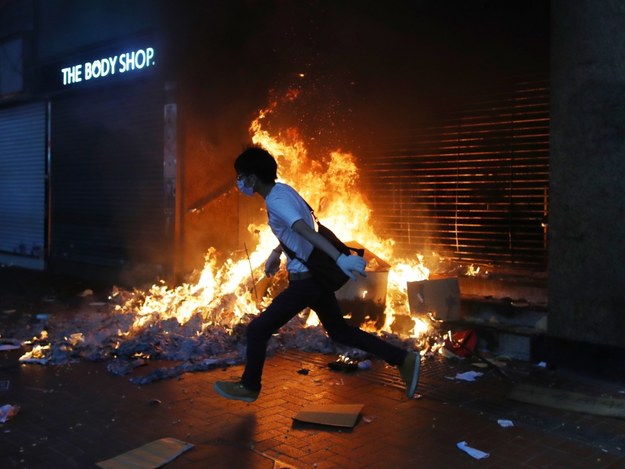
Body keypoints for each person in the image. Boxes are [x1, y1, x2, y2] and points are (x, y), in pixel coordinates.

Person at [214, 146, 421, 402]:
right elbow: (297, 228)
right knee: (339, 331)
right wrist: (277, 252)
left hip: (306, 283)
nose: (239, 182)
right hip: (314, 278)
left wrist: (340, 258)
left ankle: (249, 386)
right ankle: (403, 359)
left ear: (252, 177)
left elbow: (304, 229)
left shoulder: (275, 201)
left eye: (240, 176)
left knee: (257, 331)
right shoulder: (283, 191)